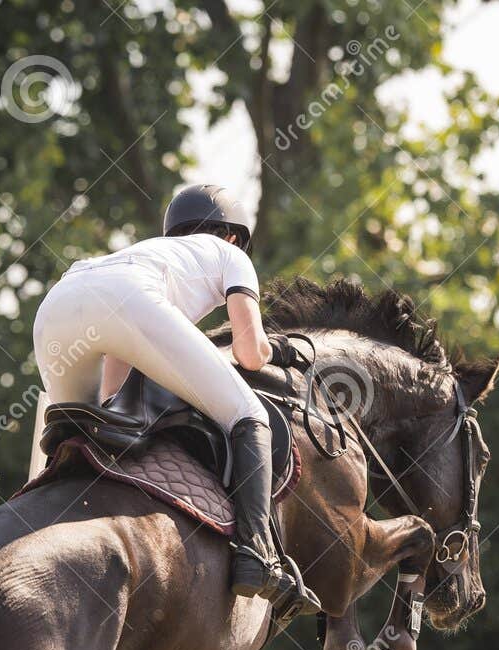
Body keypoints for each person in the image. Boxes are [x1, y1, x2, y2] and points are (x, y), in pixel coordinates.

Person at [32, 184, 313, 614]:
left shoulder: (145, 255)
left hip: (57, 305)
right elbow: (249, 352)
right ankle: (257, 553)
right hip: (125, 302)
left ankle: (34, 513)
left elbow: (113, 387)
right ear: (233, 236)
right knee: (248, 414)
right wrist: (283, 350)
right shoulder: (231, 255)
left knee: (80, 430)